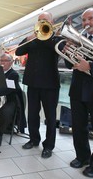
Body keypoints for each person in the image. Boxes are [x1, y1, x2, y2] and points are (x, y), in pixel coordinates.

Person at [63, 8, 93, 178]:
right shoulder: (79, 39)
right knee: (78, 128)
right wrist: (69, 50)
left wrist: (91, 67)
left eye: (90, 18)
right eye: (83, 20)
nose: (86, 23)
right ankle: (82, 157)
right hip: (78, 90)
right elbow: (69, 65)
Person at [15, 12, 60, 158]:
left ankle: (48, 146)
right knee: (32, 114)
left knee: (50, 117)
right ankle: (34, 139)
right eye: (39, 20)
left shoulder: (56, 38)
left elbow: (56, 49)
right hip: (33, 83)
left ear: (51, 22)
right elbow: (18, 51)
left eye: (45, 20)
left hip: (50, 84)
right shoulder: (32, 39)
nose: (42, 22)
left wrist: (44, 36)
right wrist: (29, 38)